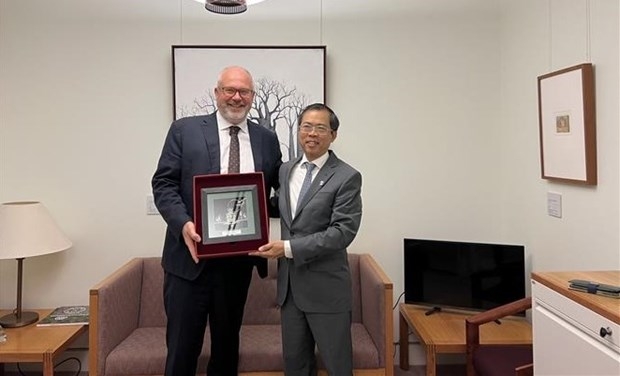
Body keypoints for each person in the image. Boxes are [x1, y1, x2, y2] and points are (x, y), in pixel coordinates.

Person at [152, 65, 282, 376]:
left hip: (237, 266)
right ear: (217, 92)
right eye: (230, 90)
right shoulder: (184, 130)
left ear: (252, 96)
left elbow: (274, 195)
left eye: (245, 92)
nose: (237, 97)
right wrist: (184, 224)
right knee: (182, 353)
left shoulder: (267, 138)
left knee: (226, 353)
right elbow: (164, 184)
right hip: (188, 262)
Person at [250, 103, 362, 376]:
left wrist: (287, 248)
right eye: (306, 127)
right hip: (290, 292)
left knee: (338, 367)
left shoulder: (346, 177)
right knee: (296, 366)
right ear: (299, 131)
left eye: (321, 128)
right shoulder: (286, 170)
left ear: (333, 135)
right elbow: (285, 210)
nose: (312, 133)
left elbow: (342, 233)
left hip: (326, 291)